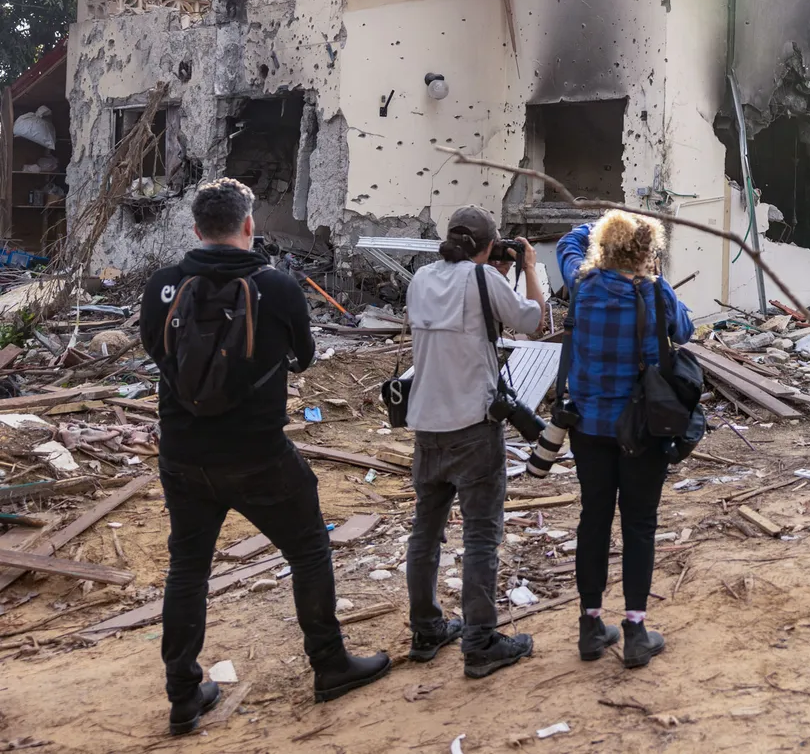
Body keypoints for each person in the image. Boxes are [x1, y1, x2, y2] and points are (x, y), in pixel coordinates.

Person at [141, 179, 389, 735]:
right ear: (248, 225)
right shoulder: (275, 287)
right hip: (258, 455)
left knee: (188, 570)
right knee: (308, 549)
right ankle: (330, 665)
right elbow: (303, 357)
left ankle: (183, 694)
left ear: (197, 229)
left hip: (182, 456)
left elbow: (158, 355)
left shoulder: (161, 285)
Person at [404, 206, 547, 678]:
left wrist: (491, 274)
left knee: (427, 531)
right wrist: (525, 270)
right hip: (473, 426)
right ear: (489, 245)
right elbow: (532, 322)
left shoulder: (421, 278)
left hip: (426, 425)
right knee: (481, 535)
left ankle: (426, 629)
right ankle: (481, 641)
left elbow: (456, 316)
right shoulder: (487, 282)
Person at [556, 211, 693, 668]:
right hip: (641, 432)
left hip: (589, 429)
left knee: (593, 520)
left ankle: (590, 626)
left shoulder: (582, 286)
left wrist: (596, 222)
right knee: (639, 524)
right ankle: (635, 630)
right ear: (648, 253)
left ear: (604, 247)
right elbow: (685, 332)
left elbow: (567, 246)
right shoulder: (657, 294)